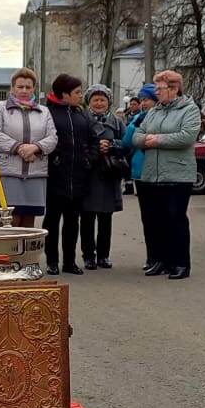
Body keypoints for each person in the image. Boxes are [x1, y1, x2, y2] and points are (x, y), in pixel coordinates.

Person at [134, 70, 201, 280]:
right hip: (152, 174)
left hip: (178, 174)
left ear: (174, 89)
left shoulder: (189, 110)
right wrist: (146, 140)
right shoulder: (154, 111)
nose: (156, 92)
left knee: (176, 219)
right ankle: (159, 260)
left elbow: (187, 137)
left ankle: (180, 263)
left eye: (160, 88)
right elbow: (137, 135)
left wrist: (158, 140)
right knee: (156, 221)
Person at [0, 68, 57, 228]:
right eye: (20, 87)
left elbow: (53, 137)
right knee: (11, 220)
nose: (24, 90)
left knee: (29, 221)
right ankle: (6, 254)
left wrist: (35, 147)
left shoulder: (44, 111)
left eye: (28, 87)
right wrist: (19, 148)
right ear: (12, 88)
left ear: (34, 89)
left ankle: (26, 254)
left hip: (35, 173)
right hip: (9, 173)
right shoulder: (0, 108)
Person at [43, 73, 95, 274]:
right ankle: (52, 261)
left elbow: (93, 139)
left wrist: (90, 158)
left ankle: (70, 261)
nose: (80, 95)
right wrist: (54, 158)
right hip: (56, 175)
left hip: (79, 176)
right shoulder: (48, 113)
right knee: (53, 220)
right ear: (64, 94)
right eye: (77, 92)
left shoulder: (81, 114)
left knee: (73, 222)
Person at [82, 83, 125, 269]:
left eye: (102, 99)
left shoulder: (117, 122)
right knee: (87, 218)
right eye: (95, 99)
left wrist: (113, 145)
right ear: (88, 102)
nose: (99, 103)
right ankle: (88, 256)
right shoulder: (82, 120)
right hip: (88, 175)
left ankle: (103, 256)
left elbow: (127, 143)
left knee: (106, 219)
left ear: (109, 102)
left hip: (109, 174)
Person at [122, 83, 160, 269]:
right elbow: (128, 142)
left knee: (161, 217)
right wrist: (134, 125)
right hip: (140, 172)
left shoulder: (162, 118)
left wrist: (144, 139)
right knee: (148, 218)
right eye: (142, 100)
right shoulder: (138, 117)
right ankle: (151, 257)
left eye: (147, 99)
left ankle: (163, 257)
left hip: (160, 172)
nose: (144, 103)